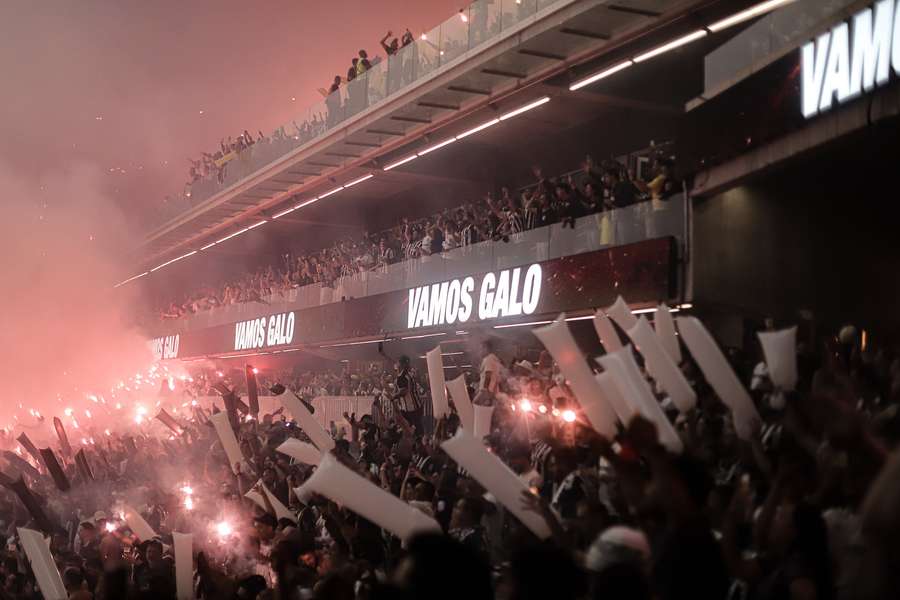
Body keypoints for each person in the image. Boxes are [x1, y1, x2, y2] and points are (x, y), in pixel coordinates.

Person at [392, 355, 423, 432]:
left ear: (402, 364)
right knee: (414, 428)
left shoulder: (403, 376)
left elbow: (403, 392)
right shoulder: (407, 374)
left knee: (412, 430)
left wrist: (393, 396)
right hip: (414, 407)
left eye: (398, 362)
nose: (396, 364)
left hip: (411, 409)